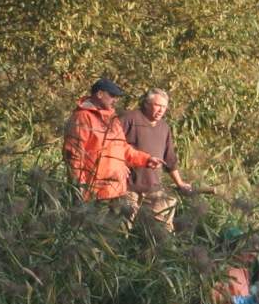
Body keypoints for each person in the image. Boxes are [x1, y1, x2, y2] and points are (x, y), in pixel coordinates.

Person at [62, 76, 161, 209]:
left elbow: (123, 148)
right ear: (100, 94)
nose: (115, 100)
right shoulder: (82, 117)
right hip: (94, 193)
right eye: (112, 95)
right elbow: (74, 155)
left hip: (117, 190)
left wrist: (146, 159)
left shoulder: (112, 119)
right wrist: (79, 188)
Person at [122, 88, 194, 230]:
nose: (161, 110)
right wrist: (118, 165)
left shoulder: (164, 127)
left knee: (163, 229)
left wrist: (179, 183)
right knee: (122, 227)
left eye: (164, 107)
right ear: (147, 104)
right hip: (128, 186)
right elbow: (112, 144)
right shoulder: (130, 119)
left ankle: (157, 252)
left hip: (153, 187)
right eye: (158, 105)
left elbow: (170, 159)